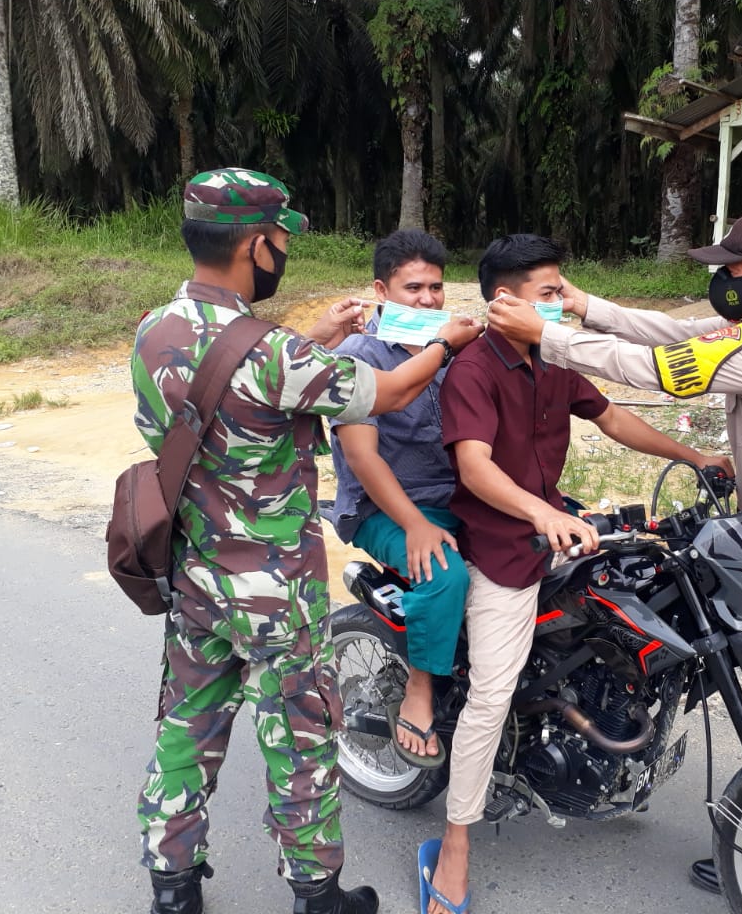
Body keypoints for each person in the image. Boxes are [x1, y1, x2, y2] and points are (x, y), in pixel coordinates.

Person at [132, 168, 482, 914]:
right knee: (300, 738)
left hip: (195, 573)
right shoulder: (274, 355)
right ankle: (317, 895)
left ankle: (172, 887)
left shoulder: (155, 330)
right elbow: (387, 392)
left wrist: (317, 335)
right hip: (275, 590)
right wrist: (444, 344)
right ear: (255, 245)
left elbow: (233, 377)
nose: (283, 254)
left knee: (186, 729)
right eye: (281, 241)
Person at [487, 211, 742, 894]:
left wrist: (548, 333)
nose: (722, 282)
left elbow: (659, 370)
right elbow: (680, 334)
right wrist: (586, 307)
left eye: (733, 272)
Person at [422, 234, 732, 914]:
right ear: (505, 300)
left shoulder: (554, 357)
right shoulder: (474, 369)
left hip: (555, 527)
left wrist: (695, 456)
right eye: (549, 293)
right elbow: (474, 466)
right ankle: (455, 843)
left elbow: (612, 417)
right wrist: (542, 513)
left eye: (562, 291)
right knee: (492, 694)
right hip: (498, 547)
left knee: (633, 608)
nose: (562, 303)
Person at [329, 229, 467, 767]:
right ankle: (419, 691)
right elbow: (363, 459)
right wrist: (414, 525)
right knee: (443, 574)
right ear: (381, 291)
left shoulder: (456, 351)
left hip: (455, 497)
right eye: (414, 288)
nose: (428, 299)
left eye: (436, 287)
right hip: (383, 507)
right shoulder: (358, 355)